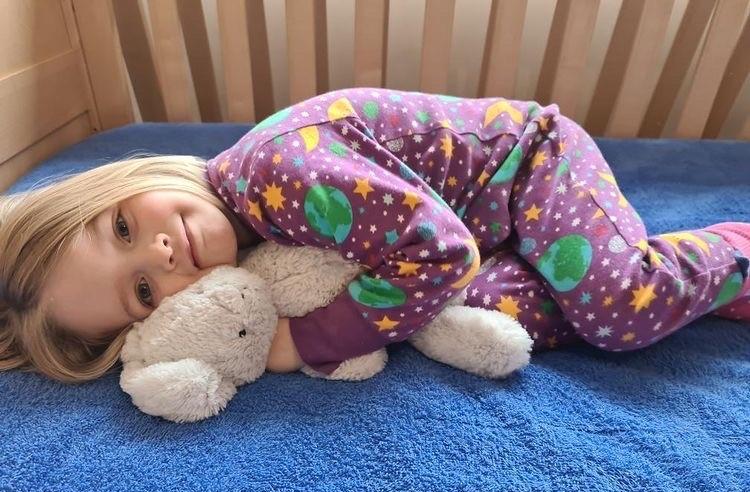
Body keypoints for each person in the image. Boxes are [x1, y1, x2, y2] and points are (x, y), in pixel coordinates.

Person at [1, 87, 748, 384]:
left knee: (617, 310)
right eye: (141, 291)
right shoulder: (248, 239)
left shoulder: (275, 173)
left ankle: (730, 253)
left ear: (124, 180)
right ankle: (687, 288)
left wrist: (308, 341)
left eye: (125, 225)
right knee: (482, 313)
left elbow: (442, 253)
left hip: (527, 164)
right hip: (476, 227)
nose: (160, 256)